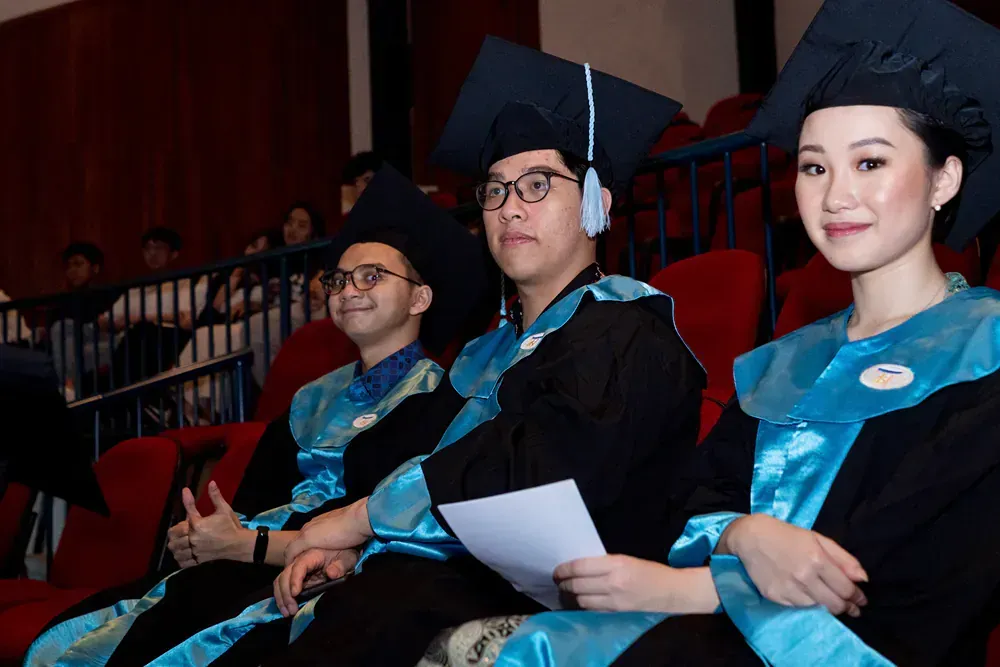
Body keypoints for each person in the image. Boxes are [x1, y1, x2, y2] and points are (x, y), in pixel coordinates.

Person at [419, 1, 1000, 665]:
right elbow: (693, 502)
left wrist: (693, 587)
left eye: (869, 163)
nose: (836, 195)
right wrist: (745, 535)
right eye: (814, 166)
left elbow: (896, 582)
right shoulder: (787, 364)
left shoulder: (982, 350)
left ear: (943, 178)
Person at [104, 37, 706, 667]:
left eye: (536, 184)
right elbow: (436, 469)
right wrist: (359, 543)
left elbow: (531, 476)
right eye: (495, 191)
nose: (509, 208)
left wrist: (365, 521)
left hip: (577, 599)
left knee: (381, 614)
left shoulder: (624, 328)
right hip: (452, 574)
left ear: (595, 204)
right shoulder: (482, 358)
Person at [24, 165, 489, 666]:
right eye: (337, 279)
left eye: (371, 276)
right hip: (241, 567)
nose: (348, 289)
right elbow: (251, 505)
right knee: (72, 639)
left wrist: (241, 544)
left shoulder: (438, 403)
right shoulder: (311, 398)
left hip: (310, 588)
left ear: (420, 297)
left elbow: (378, 536)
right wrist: (204, 538)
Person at [247, 202, 328, 388]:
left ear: (313, 233)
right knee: (255, 327)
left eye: (301, 226)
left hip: (306, 309)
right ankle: (276, 394)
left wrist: (316, 287)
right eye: (289, 223)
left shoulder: (319, 256)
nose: (292, 230)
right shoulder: (274, 260)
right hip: (279, 314)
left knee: (259, 325)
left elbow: (320, 284)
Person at [49, 243, 116, 393]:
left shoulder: (110, 294)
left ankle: (69, 391)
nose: (72, 271)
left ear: (95, 268)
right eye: (69, 266)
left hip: (104, 342)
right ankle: (71, 390)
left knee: (63, 330)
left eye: (78, 264)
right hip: (77, 347)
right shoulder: (64, 301)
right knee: (67, 340)